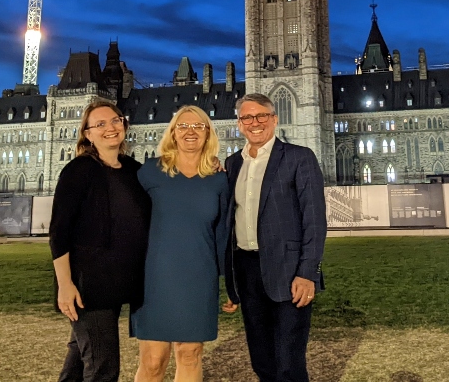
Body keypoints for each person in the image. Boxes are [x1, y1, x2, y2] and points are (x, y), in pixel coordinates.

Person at [222, 93, 327, 382]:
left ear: (274, 119)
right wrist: (230, 283)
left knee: (288, 364)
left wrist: (308, 273)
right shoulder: (232, 164)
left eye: (261, 116)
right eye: (247, 117)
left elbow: (315, 220)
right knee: (261, 360)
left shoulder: (299, 157)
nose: (255, 123)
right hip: (247, 271)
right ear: (239, 124)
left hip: (289, 272)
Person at [49, 99, 152, 382]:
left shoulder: (134, 170)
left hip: (118, 282)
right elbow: (59, 231)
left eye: (116, 120)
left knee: (81, 360)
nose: (110, 128)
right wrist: (65, 285)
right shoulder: (78, 171)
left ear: (125, 125)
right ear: (88, 134)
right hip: (87, 286)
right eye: (100, 124)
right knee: (102, 367)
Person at [132, 105, 230, 382]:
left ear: (208, 133)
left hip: (199, 276)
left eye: (198, 126)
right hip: (154, 278)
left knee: (190, 354)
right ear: (173, 133)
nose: (191, 132)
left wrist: (230, 285)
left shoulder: (219, 178)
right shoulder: (150, 172)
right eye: (183, 126)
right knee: (153, 362)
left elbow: (222, 232)